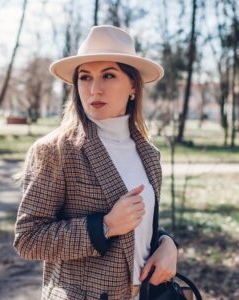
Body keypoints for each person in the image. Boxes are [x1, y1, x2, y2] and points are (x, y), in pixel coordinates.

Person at [13, 25, 178, 300]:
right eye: (85, 77)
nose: (94, 89)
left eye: (109, 75)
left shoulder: (149, 154)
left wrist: (168, 243)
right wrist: (105, 226)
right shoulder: (55, 151)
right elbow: (28, 239)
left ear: (133, 85)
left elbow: (141, 223)